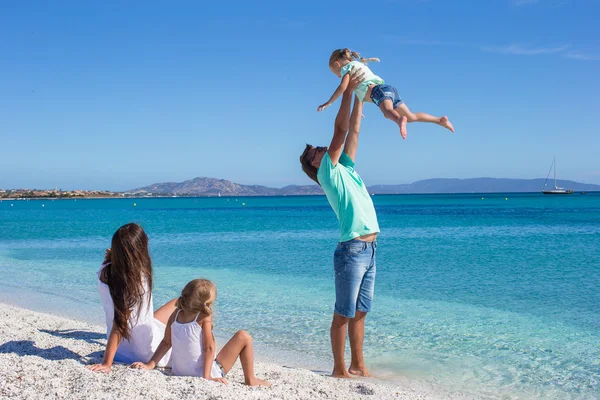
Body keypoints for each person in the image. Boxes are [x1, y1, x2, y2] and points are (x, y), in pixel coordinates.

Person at [300, 69, 378, 378]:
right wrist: (347, 90)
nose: (323, 149)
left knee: (360, 313)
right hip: (352, 250)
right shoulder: (326, 174)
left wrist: (361, 97)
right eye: (317, 152)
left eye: (320, 148)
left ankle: (358, 365)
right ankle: (338, 368)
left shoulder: (344, 167)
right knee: (343, 313)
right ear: (314, 164)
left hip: (370, 248)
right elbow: (340, 130)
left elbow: (353, 131)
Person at [131, 279, 270, 387]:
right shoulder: (204, 317)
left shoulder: (175, 315)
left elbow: (166, 343)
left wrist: (150, 365)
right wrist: (206, 377)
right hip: (203, 372)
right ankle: (251, 379)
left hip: (179, 372)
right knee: (243, 336)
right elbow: (208, 348)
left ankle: (248, 378)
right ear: (206, 304)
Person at [87, 223, 177, 373]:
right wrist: (106, 364)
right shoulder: (136, 282)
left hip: (122, 348)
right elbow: (119, 324)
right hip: (143, 350)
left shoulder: (104, 271)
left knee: (176, 302)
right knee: (185, 302)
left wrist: (112, 256)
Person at [317, 48, 454, 139]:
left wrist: (328, 102)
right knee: (411, 116)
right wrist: (360, 111)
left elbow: (343, 87)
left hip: (379, 92)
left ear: (337, 64)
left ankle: (398, 120)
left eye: (336, 73)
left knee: (387, 111)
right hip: (388, 89)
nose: (338, 76)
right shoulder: (360, 65)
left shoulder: (347, 69)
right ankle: (439, 120)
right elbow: (362, 90)